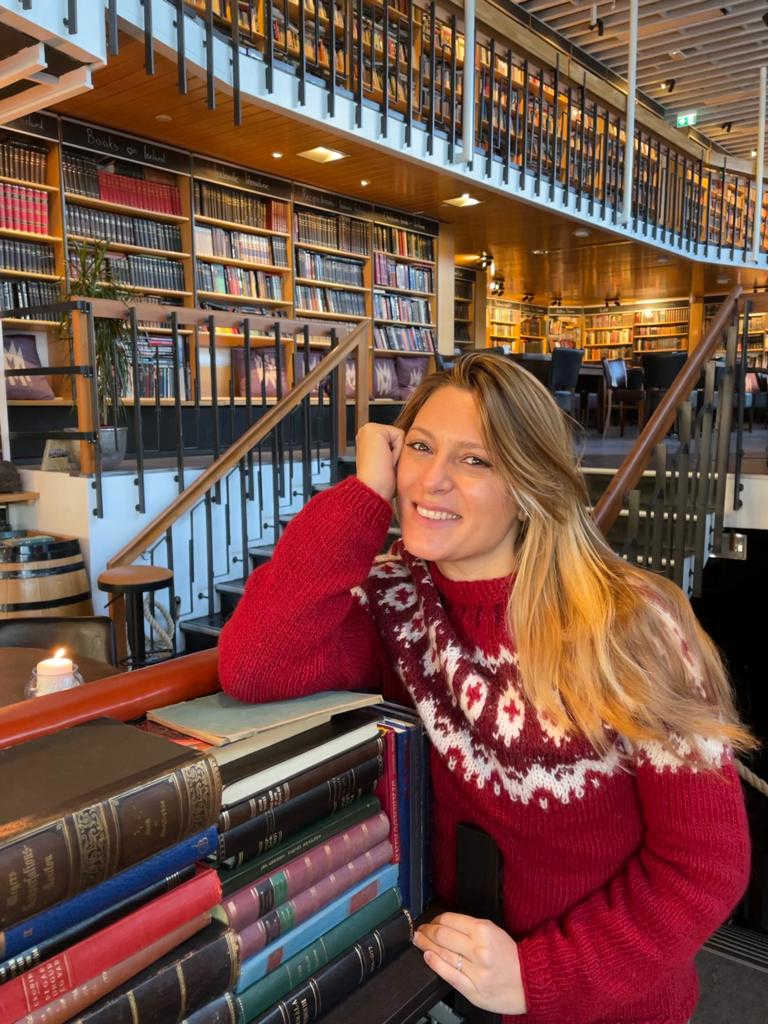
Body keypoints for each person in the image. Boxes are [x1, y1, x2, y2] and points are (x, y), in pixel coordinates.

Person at [218, 352, 755, 1024]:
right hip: (442, 986)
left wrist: (538, 978)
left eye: (476, 461)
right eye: (419, 447)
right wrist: (362, 495)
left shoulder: (628, 623)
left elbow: (704, 863)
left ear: (529, 486)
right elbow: (256, 664)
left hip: (602, 1004)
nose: (432, 480)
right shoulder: (397, 601)